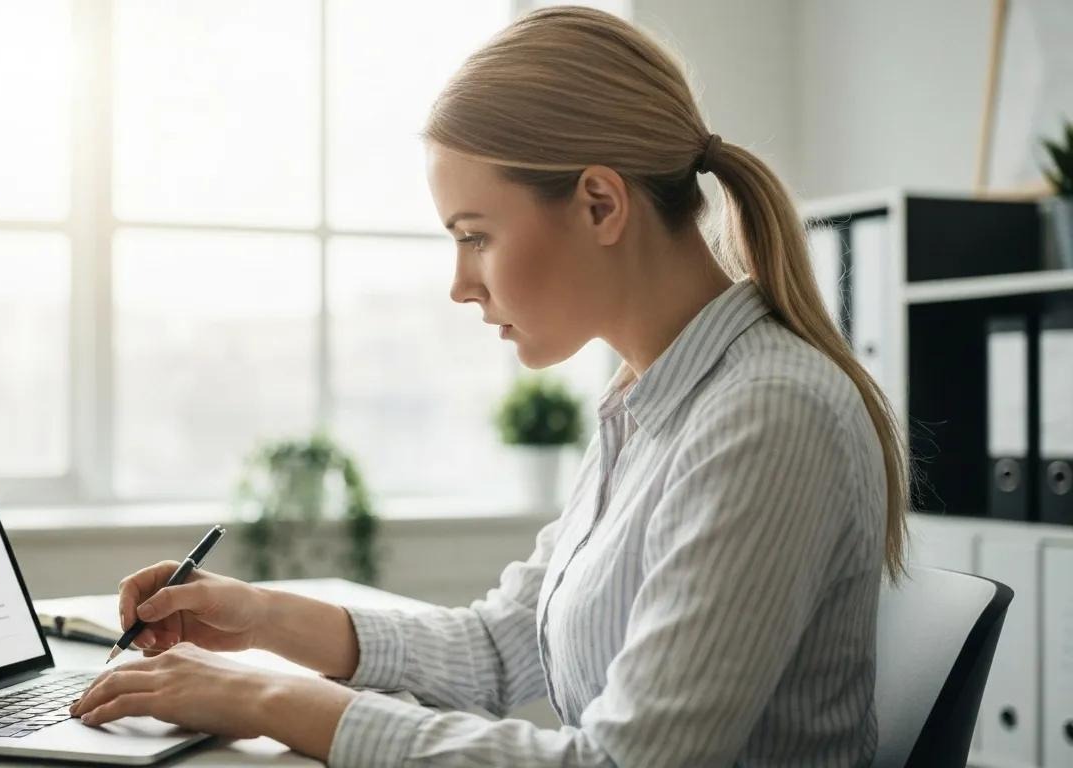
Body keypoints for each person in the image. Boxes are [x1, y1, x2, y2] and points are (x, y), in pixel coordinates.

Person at [70, 5, 910, 766]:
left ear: (599, 205)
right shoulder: (651, 404)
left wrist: (275, 702)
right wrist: (258, 618)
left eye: (476, 236)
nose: (459, 285)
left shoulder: (765, 414)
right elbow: (501, 650)